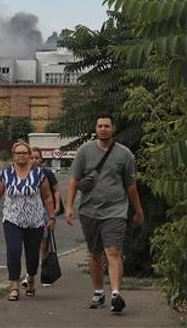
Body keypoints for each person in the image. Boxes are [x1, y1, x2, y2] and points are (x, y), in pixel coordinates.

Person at [64, 112, 144, 313]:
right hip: (89, 210)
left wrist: (138, 211)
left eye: (107, 126)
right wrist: (69, 206)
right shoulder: (85, 151)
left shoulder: (124, 154)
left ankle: (116, 294)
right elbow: (74, 179)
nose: (103, 129)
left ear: (113, 128)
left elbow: (131, 185)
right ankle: (99, 292)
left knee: (113, 251)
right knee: (95, 253)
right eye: (100, 126)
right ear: (95, 128)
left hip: (115, 210)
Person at [0, 140, 56, 301]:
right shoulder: (5, 174)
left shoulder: (39, 174)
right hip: (12, 220)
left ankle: (31, 279)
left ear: (29, 156)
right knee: (14, 250)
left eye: (25, 153)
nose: (22, 156)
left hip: (35, 221)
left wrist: (52, 216)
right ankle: (14, 286)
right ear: (13, 156)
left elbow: (47, 197)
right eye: (18, 153)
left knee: (33, 255)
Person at [21, 147, 63, 288]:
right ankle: (29, 275)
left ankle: (45, 273)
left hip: (45, 213)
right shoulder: (23, 174)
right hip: (28, 213)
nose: (34, 160)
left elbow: (56, 191)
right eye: (31, 157)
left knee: (43, 245)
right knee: (31, 245)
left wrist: (56, 209)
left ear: (41, 160)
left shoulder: (47, 174)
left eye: (36, 158)